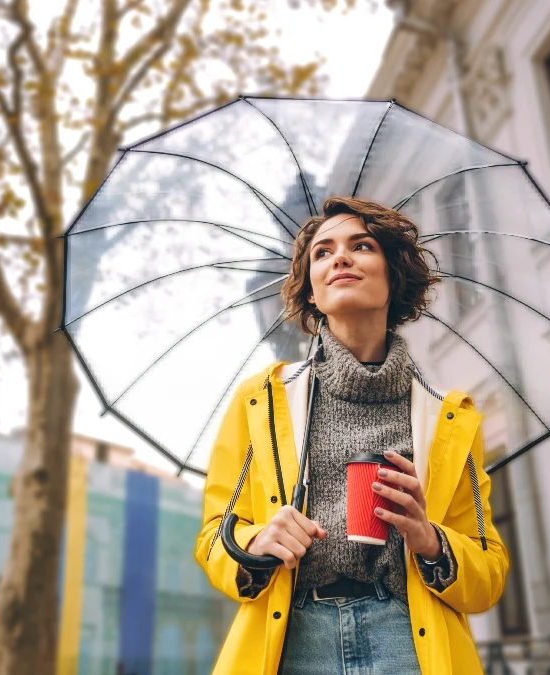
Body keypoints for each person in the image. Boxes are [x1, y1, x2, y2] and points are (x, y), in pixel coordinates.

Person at [195, 197, 510, 675]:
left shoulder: (449, 416)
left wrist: (429, 540)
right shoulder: (263, 399)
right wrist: (257, 543)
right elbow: (214, 537)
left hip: (407, 638)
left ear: (394, 273)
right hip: (292, 640)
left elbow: (488, 572)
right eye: (322, 252)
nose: (339, 257)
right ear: (312, 291)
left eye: (361, 246)